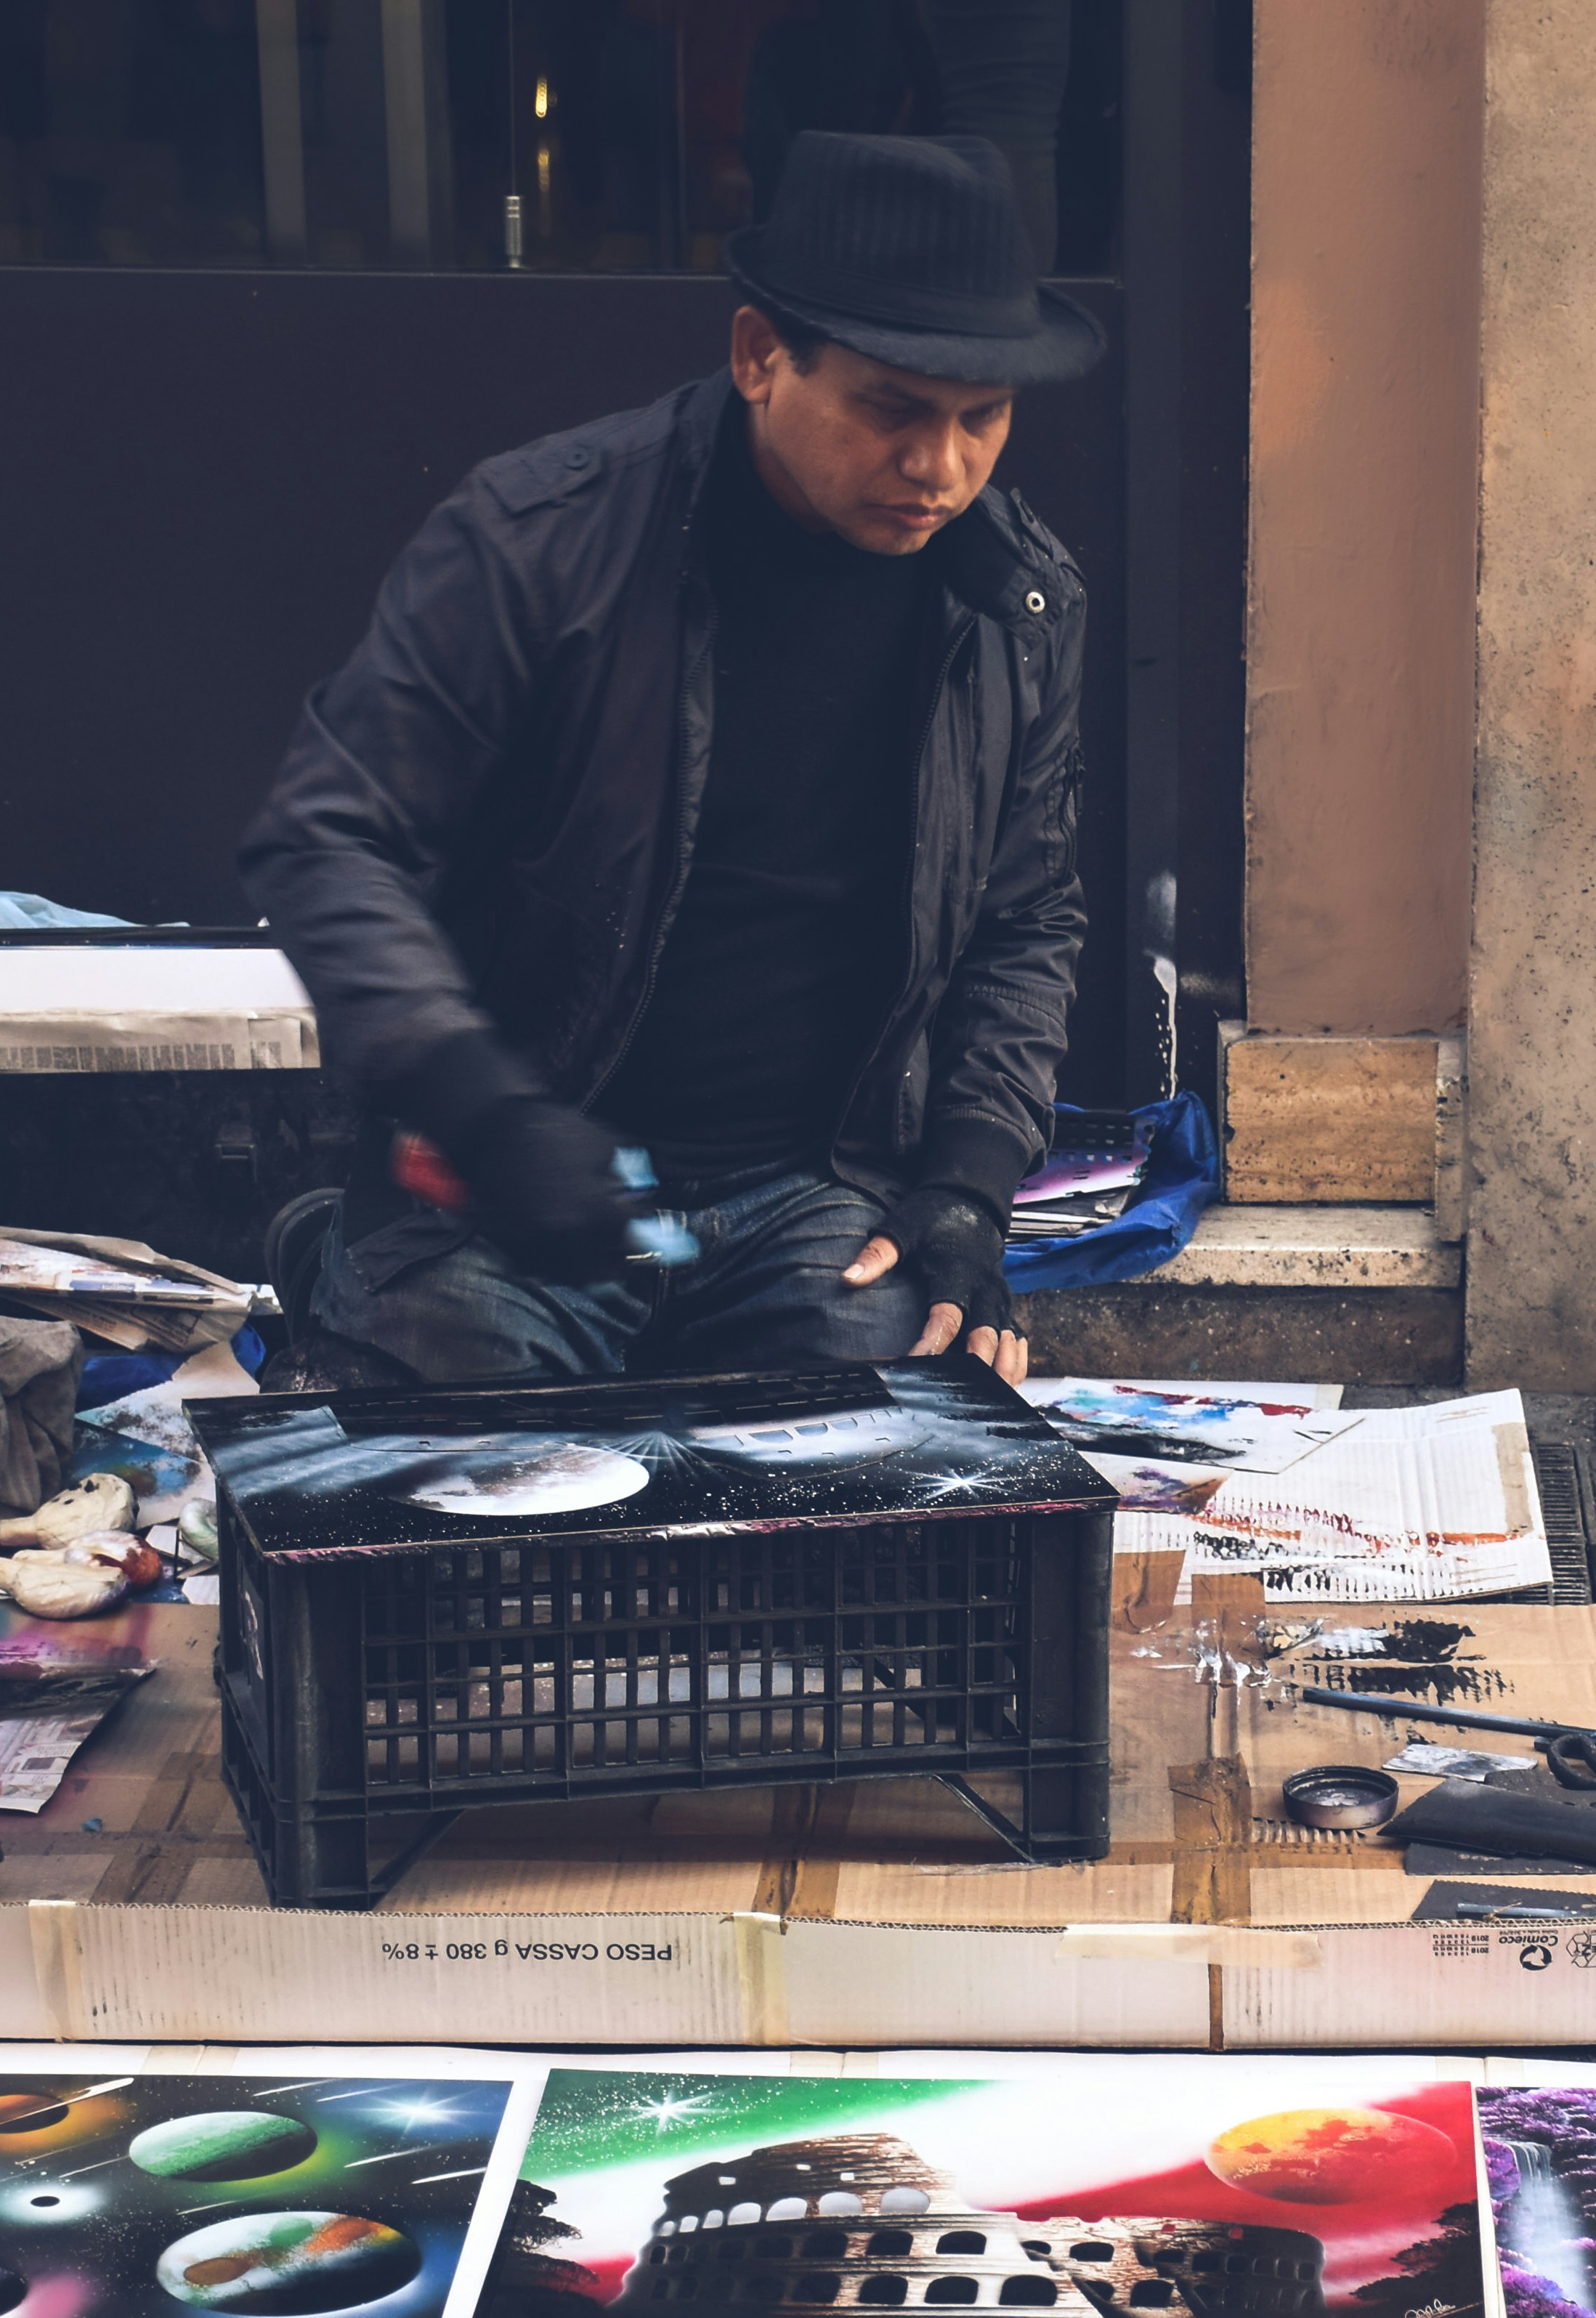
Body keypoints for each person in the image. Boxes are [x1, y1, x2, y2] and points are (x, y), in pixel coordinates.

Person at [246, 130, 1098, 1388]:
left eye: (985, 419)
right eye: (891, 408)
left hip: (807, 1194)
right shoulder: (538, 542)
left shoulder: (1016, 603)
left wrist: (968, 1190)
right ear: (761, 356)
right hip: (507, 1184)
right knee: (471, 1470)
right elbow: (325, 838)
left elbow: (1028, 919)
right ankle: (347, 1258)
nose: (942, 468)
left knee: (882, 1460)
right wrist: (481, 1110)